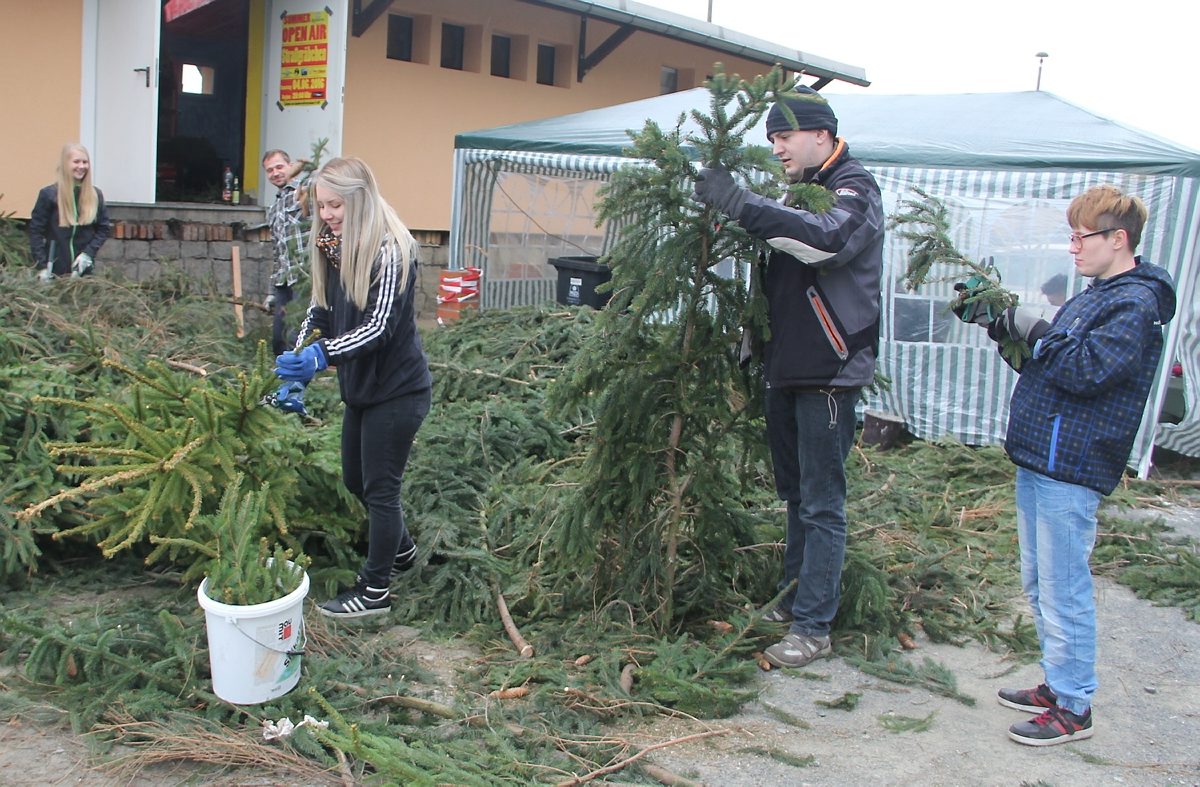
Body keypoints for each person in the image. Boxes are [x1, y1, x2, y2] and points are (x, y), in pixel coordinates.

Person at [960, 184, 1176, 745]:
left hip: (1071, 463)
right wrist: (1000, 324)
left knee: (1064, 585)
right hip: (1041, 456)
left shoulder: (1135, 303)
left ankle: (1074, 707)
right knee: (1040, 580)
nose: (1073, 248)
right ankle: (1059, 684)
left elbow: (1085, 370)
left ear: (1118, 239)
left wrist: (1032, 325)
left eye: (1082, 237)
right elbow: (1051, 364)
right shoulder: (1097, 292)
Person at [692, 88, 885, 668]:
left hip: (829, 369)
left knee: (823, 503)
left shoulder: (854, 189)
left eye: (785, 137)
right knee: (795, 494)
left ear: (821, 136)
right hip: (787, 365)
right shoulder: (795, 191)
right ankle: (795, 594)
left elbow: (824, 242)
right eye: (772, 138)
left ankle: (814, 627)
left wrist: (742, 203)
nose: (776, 148)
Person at [275, 156, 432, 618]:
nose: (326, 215)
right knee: (354, 479)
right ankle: (400, 551)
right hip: (362, 389)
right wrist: (299, 352)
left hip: (399, 390)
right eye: (321, 206)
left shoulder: (393, 250)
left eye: (335, 205)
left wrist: (321, 357)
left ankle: (374, 590)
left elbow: (379, 326)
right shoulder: (331, 242)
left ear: (359, 198)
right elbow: (321, 307)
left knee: (382, 489)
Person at [29, 143, 110, 280]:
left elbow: (103, 229)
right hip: (53, 272)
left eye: (85, 162)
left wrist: (88, 254)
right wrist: (42, 266)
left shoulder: (95, 195)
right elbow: (35, 232)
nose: (82, 166)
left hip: (82, 273)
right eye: (76, 161)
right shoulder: (49, 195)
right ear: (65, 164)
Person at [263, 149, 313, 356]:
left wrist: (304, 168)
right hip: (284, 282)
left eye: (279, 167)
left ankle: (298, 383)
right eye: (269, 170)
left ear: (289, 166)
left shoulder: (304, 191)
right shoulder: (273, 210)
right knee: (278, 338)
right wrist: (271, 292)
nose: (275, 173)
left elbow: (323, 181)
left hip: (305, 277)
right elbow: (277, 253)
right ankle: (281, 380)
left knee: (296, 336)